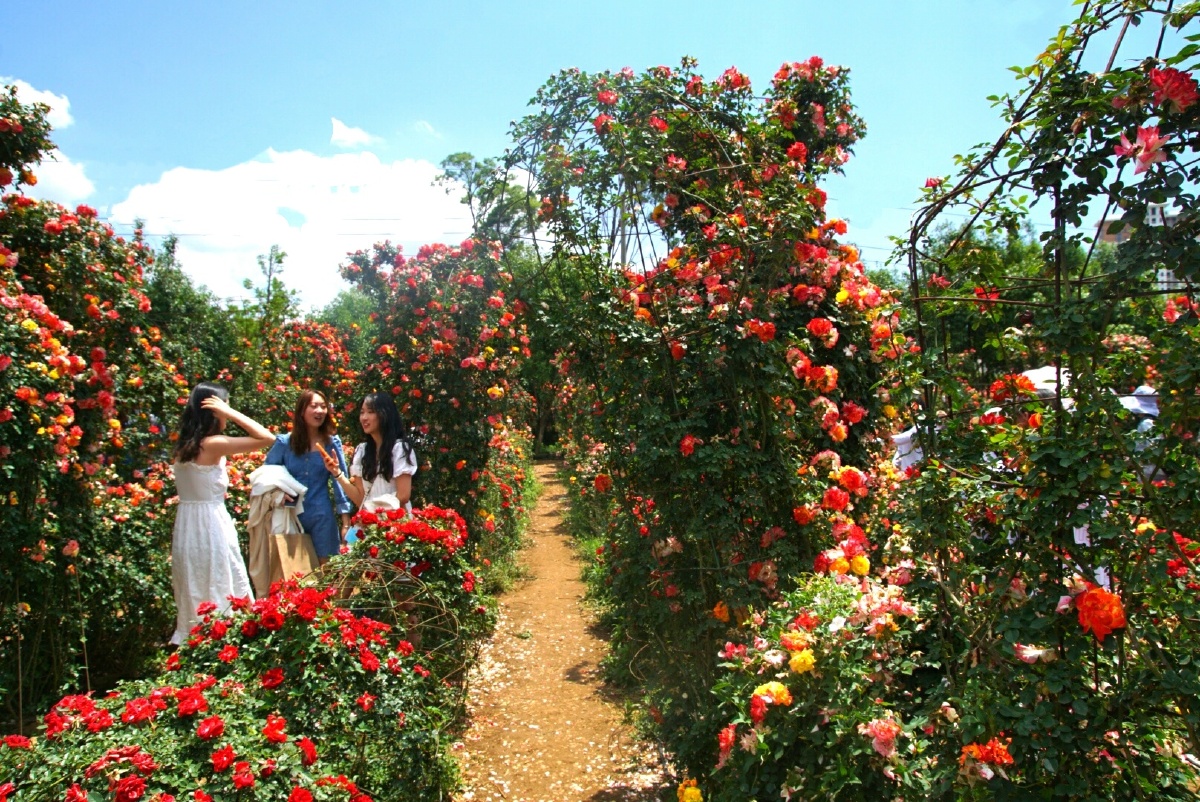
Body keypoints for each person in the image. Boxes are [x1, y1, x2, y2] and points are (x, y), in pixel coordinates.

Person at [170, 383, 275, 645]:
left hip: (187, 524)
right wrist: (232, 413)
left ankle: (197, 642)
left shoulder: (185, 445)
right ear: (214, 409)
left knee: (196, 580)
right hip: (209, 523)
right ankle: (222, 642)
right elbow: (267, 438)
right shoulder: (212, 444)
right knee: (218, 578)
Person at [264, 390, 353, 564]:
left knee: (326, 571)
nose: (319, 411)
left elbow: (340, 482)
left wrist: (345, 522)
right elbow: (267, 475)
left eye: (323, 406)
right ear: (301, 411)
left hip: (321, 515)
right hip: (290, 517)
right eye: (314, 406)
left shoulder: (331, 443)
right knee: (293, 572)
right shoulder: (284, 443)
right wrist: (277, 495)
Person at [325, 391, 418, 517]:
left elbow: (403, 496)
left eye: (370, 412)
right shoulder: (362, 451)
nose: (364, 417)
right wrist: (337, 473)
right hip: (372, 527)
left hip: (396, 525)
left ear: (385, 414)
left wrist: (375, 512)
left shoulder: (399, 448)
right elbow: (361, 500)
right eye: (362, 412)